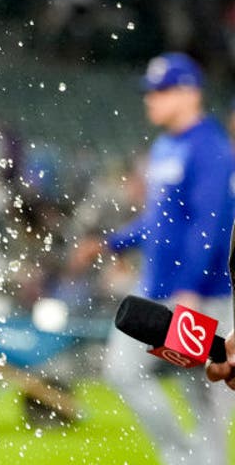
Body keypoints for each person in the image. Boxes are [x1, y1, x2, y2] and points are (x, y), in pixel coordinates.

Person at [73, 52, 235, 464]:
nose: (151, 100)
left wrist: (189, 290)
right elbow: (156, 221)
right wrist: (111, 243)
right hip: (157, 289)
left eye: (161, 91)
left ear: (189, 93)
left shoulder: (211, 148)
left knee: (206, 392)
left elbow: (210, 224)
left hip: (199, 295)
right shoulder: (166, 146)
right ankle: (182, 457)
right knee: (127, 373)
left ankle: (194, 459)